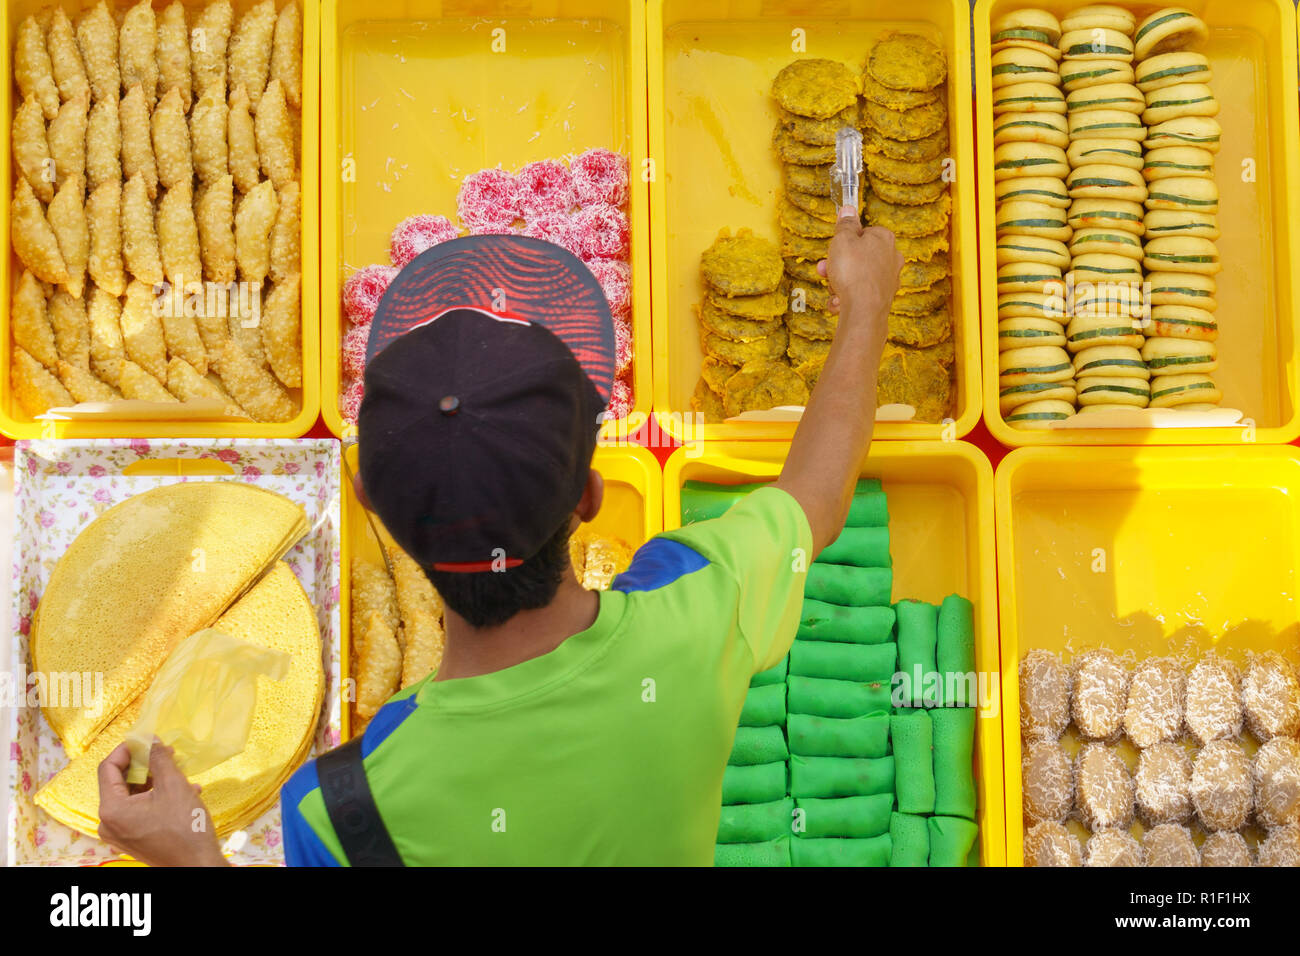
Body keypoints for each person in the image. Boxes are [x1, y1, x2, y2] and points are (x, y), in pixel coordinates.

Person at [96, 213, 902, 866]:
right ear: (591, 494)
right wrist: (865, 306)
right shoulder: (696, 614)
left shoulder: (342, 807)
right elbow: (816, 497)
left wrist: (189, 853)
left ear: (371, 506)